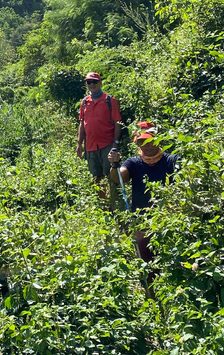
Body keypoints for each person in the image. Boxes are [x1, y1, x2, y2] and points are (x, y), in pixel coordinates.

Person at [108, 121, 181, 293]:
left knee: (171, 263)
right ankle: (152, 298)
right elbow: (119, 178)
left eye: (149, 141)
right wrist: (114, 165)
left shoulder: (172, 160)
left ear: (158, 140)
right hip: (142, 223)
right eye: (141, 142)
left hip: (168, 221)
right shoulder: (133, 163)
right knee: (147, 264)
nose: (146, 145)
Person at [77, 72, 123, 206]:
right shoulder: (85, 102)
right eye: (88, 82)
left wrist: (115, 143)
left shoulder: (109, 100)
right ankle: (103, 204)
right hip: (90, 145)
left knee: (111, 175)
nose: (91, 85)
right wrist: (79, 143)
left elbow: (117, 123)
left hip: (106, 144)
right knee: (96, 176)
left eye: (94, 82)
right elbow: (82, 123)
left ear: (100, 83)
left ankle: (115, 203)